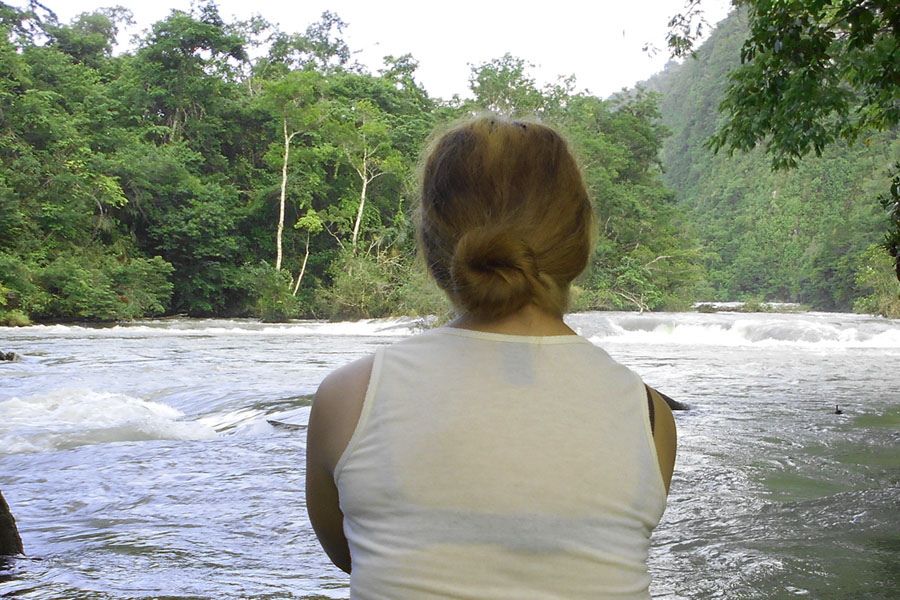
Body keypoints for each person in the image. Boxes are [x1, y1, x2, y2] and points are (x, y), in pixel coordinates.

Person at [305, 116, 677, 599]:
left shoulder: (348, 398)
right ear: (580, 244)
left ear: (431, 248)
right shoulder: (649, 416)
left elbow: (357, 554)